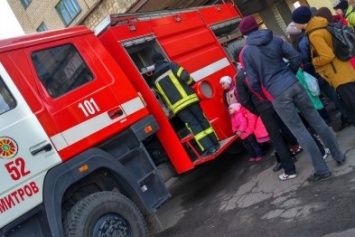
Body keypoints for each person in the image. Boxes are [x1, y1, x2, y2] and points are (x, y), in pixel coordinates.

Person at [238, 14, 346, 183]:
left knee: (299, 131)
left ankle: (322, 169)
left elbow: (252, 82)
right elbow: (295, 57)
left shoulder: (246, 53)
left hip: (277, 94)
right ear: (258, 27)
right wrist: (291, 74)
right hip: (294, 84)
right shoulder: (275, 38)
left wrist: (264, 96)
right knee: (316, 120)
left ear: (244, 34)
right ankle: (338, 155)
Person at [233, 46, 299, 176]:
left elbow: (244, 100)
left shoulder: (240, 76)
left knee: (276, 137)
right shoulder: (258, 65)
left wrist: (257, 111)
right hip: (276, 98)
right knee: (292, 125)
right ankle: (310, 148)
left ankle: (290, 170)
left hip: (263, 108)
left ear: (236, 61)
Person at [292, 6, 355, 126]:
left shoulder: (314, 34)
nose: (294, 24)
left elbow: (327, 56)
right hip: (344, 70)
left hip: (339, 75)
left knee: (352, 105)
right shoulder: (320, 26)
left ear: (301, 21)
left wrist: (315, 61)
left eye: (295, 21)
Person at [150, 53, 219, 156]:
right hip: (189, 99)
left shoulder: (153, 79)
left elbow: (160, 95)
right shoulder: (171, 65)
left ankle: (210, 148)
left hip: (178, 107)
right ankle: (215, 142)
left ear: (154, 64)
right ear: (163, 59)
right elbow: (186, 77)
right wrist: (192, 83)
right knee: (202, 120)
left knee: (193, 125)